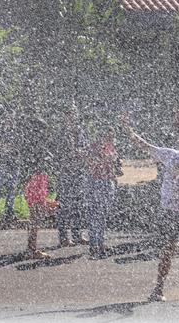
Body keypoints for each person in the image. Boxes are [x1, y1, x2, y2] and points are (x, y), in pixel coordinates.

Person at [122, 114, 179, 302]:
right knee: (167, 247)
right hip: (167, 208)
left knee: (167, 249)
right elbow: (145, 146)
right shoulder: (169, 154)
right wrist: (129, 130)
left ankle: (159, 288)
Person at [54, 106, 88, 247]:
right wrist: (71, 154)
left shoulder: (80, 131)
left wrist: (82, 151)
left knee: (77, 205)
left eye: (73, 114)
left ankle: (77, 234)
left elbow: (86, 146)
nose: (71, 117)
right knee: (63, 205)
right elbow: (57, 151)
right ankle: (63, 237)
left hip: (78, 171)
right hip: (66, 172)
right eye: (68, 115)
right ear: (65, 116)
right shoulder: (61, 133)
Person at [84, 125, 121, 258]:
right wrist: (105, 160)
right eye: (110, 136)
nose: (112, 139)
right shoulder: (94, 147)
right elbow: (90, 163)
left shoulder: (111, 147)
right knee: (95, 214)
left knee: (103, 214)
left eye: (113, 136)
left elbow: (114, 165)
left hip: (108, 181)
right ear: (103, 136)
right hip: (96, 182)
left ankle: (100, 242)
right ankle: (94, 244)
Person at [23, 154, 58, 260]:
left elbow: (29, 192)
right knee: (34, 225)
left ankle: (31, 250)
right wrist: (46, 204)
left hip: (34, 203)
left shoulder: (35, 176)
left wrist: (46, 203)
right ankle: (31, 250)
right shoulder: (41, 177)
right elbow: (38, 196)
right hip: (36, 203)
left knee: (34, 225)